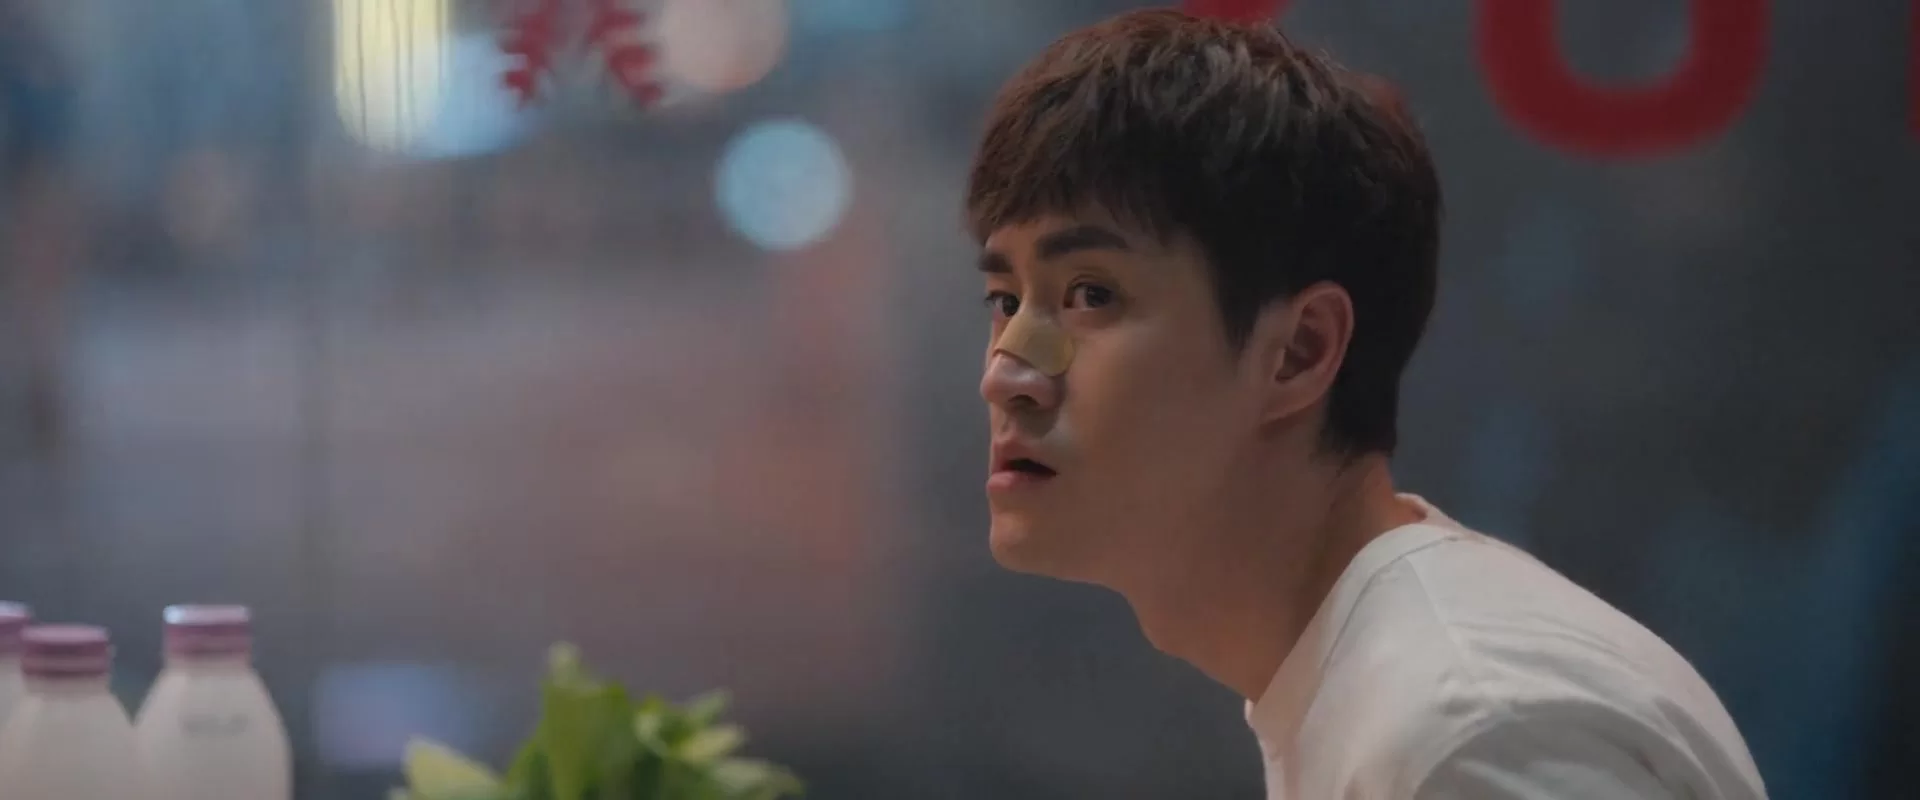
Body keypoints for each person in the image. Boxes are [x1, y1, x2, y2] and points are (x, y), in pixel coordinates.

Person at [964, 9, 1767, 799]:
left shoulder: (1473, 731)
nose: (1006, 375)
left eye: (1091, 294)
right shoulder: (1384, 690)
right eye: (1005, 300)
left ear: (1300, 351)